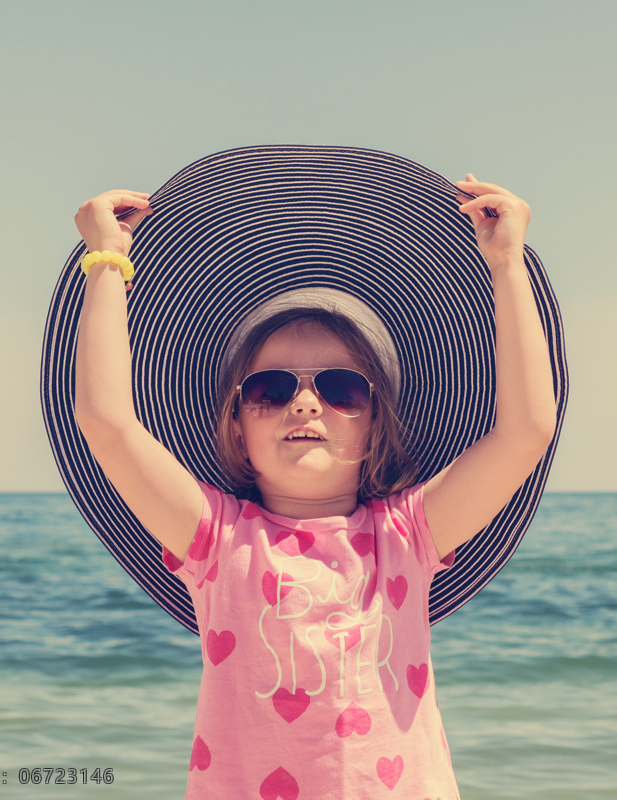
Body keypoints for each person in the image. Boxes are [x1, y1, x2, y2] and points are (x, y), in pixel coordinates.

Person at [71, 174, 557, 799]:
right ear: (238, 425)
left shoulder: (407, 534)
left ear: (375, 422)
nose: (305, 404)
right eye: (271, 390)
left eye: (341, 389)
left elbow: (526, 432)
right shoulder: (218, 540)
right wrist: (107, 261)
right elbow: (107, 424)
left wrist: (507, 263)